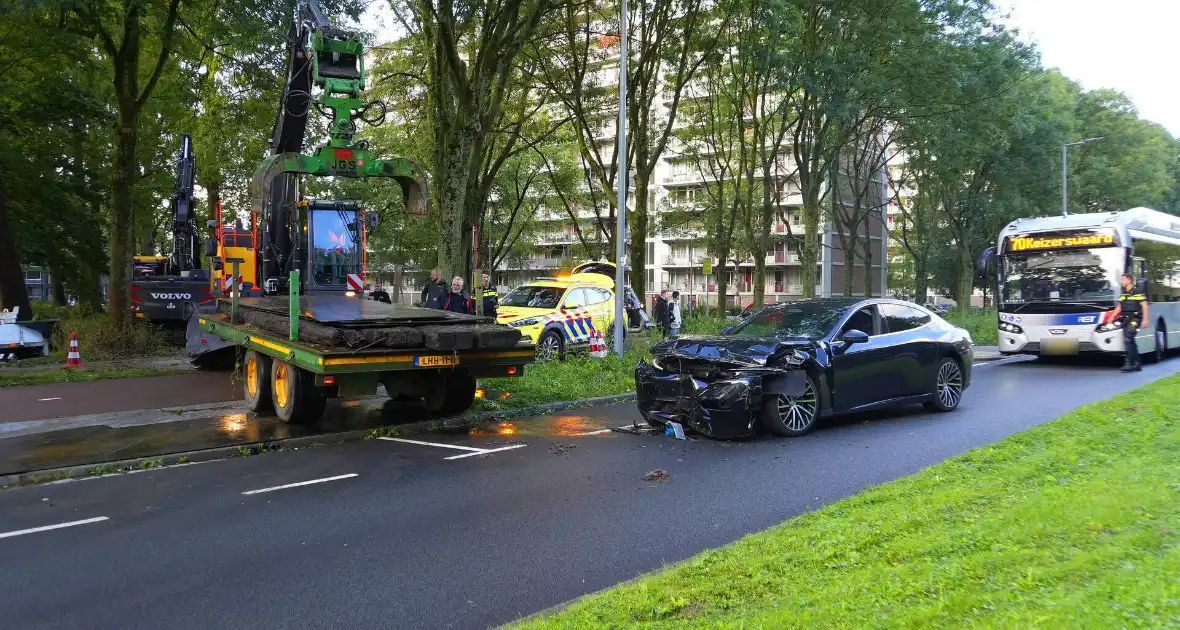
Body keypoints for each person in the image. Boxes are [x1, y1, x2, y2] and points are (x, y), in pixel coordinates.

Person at [1110, 273, 1148, 372]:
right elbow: (1120, 307)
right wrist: (1112, 317)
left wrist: (1145, 319)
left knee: (1128, 339)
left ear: (1129, 280)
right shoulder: (1124, 293)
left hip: (1136, 319)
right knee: (1129, 341)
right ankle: (1137, 363)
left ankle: (1128, 363)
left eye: (1123, 280)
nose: (1121, 282)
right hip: (1126, 319)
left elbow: (1145, 305)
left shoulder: (1137, 292)